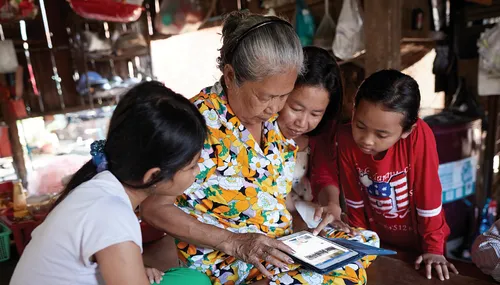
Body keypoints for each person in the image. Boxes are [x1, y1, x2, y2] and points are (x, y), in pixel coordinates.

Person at [142, 12, 373, 285]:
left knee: (358, 245)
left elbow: (269, 198)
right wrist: (234, 242)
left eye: (284, 96)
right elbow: (152, 206)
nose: (275, 108)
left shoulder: (272, 122)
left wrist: (311, 226)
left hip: (280, 251)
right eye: (266, 97)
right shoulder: (195, 125)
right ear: (230, 76)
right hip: (232, 266)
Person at [10, 82, 211, 285]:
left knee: (191, 279)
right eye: (192, 165)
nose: (198, 170)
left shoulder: (100, 187)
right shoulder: (112, 214)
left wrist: (135, 270)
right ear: (153, 176)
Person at [312, 70, 459, 281]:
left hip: (423, 241)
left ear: (407, 130)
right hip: (377, 241)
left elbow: (428, 197)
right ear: (354, 110)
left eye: (381, 134)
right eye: (360, 126)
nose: (367, 140)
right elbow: (354, 197)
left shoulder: (418, 136)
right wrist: (360, 239)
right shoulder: (345, 138)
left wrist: (434, 248)